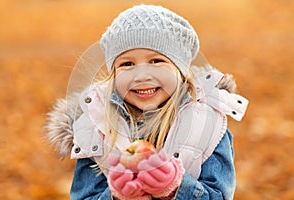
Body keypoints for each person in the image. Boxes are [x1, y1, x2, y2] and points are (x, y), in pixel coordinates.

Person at [46, 4, 248, 200]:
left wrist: (174, 186)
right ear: (114, 73)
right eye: (127, 64)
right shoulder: (96, 127)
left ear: (180, 68)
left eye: (156, 61)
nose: (142, 75)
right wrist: (117, 196)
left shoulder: (207, 123)